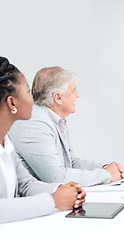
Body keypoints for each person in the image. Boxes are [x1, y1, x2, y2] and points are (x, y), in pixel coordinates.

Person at [0, 56, 85, 224]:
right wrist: (53, 200)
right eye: (27, 92)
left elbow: (25, 184)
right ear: (12, 102)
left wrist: (61, 190)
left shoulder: (6, 141)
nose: (33, 99)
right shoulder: (34, 125)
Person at [9, 66, 124, 187]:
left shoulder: (55, 119)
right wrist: (106, 174)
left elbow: (71, 162)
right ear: (58, 97)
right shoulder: (34, 123)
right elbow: (56, 177)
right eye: (74, 90)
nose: (77, 95)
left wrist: (104, 168)